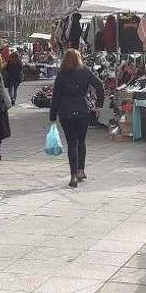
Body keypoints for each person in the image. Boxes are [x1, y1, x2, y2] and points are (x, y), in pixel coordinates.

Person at [49, 48, 104, 188]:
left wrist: (53, 114)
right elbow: (99, 86)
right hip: (82, 110)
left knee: (71, 143)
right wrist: (99, 105)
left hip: (66, 111)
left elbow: (56, 96)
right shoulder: (85, 71)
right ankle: (81, 171)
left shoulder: (61, 74)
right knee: (81, 141)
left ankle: (73, 175)